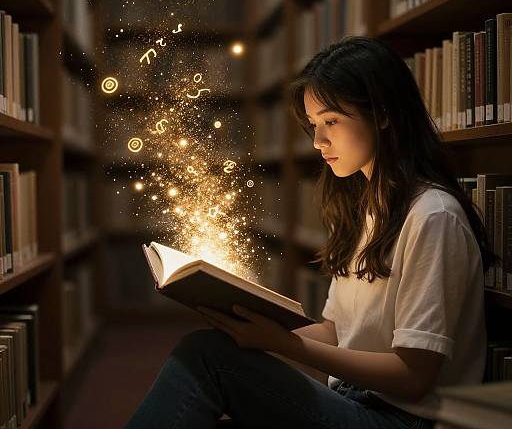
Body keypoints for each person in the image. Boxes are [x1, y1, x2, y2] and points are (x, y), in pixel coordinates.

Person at [125, 36, 495, 428]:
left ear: (383, 113)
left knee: (205, 356)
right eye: (314, 125)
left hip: (402, 419)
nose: (318, 141)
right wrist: (252, 324)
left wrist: (286, 344)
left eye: (331, 121)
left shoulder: (432, 217)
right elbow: (337, 332)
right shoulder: (367, 210)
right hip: (356, 401)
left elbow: (415, 376)